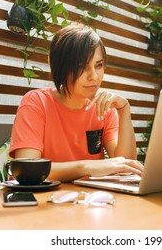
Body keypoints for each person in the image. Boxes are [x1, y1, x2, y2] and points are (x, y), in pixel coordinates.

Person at [9, 22, 144, 182]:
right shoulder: (36, 102)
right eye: (81, 67)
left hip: (86, 200)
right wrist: (87, 167)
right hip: (40, 201)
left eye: (99, 65)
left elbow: (125, 168)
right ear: (61, 67)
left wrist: (124, 110)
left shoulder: (105, 109)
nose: (93, 76)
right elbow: (28, 169)